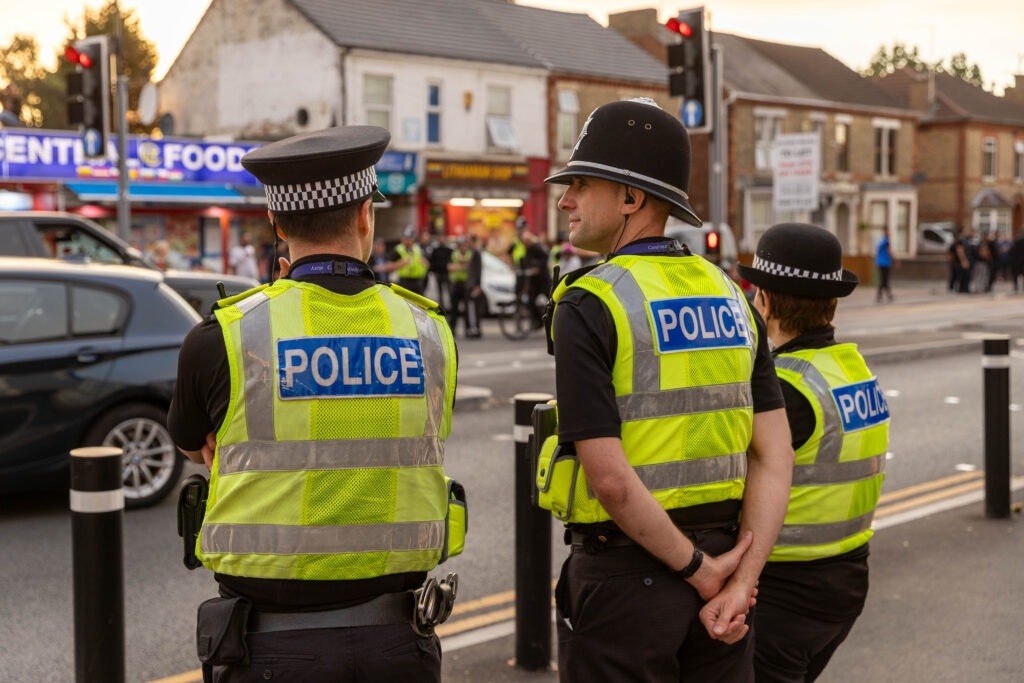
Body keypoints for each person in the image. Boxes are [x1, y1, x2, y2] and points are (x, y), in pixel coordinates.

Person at [167, 125, 464, 682]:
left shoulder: (224, 337)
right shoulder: (430, 332)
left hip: (269, 651)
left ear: (277, 225)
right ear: (364, 217)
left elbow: (193, 443)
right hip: (398, 644)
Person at [541, 98, 794, 682]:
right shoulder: (732, 297)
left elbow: (608, 478)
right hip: (724, 575)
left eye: (580, 184)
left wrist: (698, 569)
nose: (564, 200)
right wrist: (740, 581)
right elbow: (774, 454)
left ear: (632, 198)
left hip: (628, 579)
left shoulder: (590, 301)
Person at [738, 223, 890, 682]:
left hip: (786, 589)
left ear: (763, 300)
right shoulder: (850, 368)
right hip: (845, 578)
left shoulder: (782, 390)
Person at [391, 227, 428, 294]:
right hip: (405, 281)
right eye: (406, 238)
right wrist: (400, 264)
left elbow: (426, 263)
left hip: (418, 281)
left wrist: (425, 263)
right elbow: (388, 265)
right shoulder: (398, 249)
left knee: (418, 303)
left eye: (410, 238)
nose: (408, 241)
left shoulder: (417, 249)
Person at [874, 227, 894, 303]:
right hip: (885, 263)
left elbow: (877, 251)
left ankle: (888, 295)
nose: (889, 233)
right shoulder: (886, 241)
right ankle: (881, 295)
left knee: (884, 279)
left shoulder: (880, 241)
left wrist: (876, 261)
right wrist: (895, 259)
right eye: (888, 231)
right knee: (884, 280)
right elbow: (889, 251)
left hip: (880, 262)